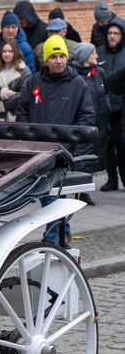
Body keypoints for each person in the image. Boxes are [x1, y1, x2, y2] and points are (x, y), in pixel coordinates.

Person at [17, 35, 94, 244]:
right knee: (49, 197)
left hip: (63, 153)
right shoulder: (34, 81)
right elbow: (22, 111)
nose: (58, 61)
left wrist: (73, 137)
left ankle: (53, 240)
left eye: (61, 56)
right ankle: (61, 236)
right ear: (46, 59)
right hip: (38, 151)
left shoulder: (78, 84)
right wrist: (27, 136)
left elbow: (87, 116)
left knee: (53, 197)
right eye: (53, 56)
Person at [71, 42, 108, 205]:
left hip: (100, 122)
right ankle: (80, 190)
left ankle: (85, 190)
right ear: (85, 56)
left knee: (93, 156)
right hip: (83, 123)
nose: (97, 56)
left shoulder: (99, 72)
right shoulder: (75, 76)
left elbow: (105, 91)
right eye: (94, 53)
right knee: (82, 156)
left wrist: (107, 106)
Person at [96, 17, 125, 191]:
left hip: (121, 108)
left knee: (120, 144)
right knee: (106, 143)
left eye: (116, 33)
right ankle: (111, 178)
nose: (112, 36)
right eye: (110, 33)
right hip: (103, 106)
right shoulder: (99, 52)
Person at [0, 37, 31, 121]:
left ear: (16, 52)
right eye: (4, 51)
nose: (7, 54)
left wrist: (0, 105)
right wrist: (4, 93)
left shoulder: (24, 71)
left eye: (10, 51)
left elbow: (22, 95)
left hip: (13, 117)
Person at [0, 11, 36, 76]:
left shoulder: (25, 48)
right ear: (2, 28)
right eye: (8, 27)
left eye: (14, 27)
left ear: (18, 29)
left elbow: (30, 74)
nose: (11, 30)